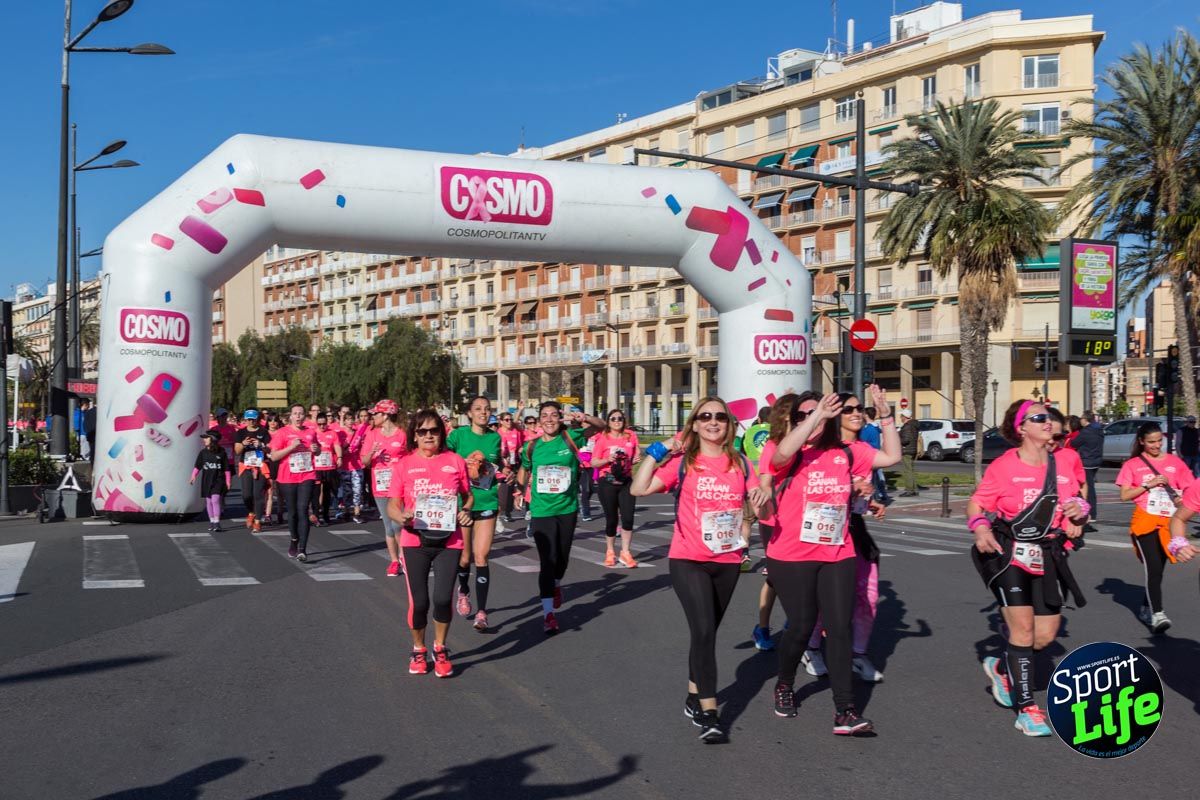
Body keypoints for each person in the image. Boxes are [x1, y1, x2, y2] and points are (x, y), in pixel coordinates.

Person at [631, 397, 768, 742]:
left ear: (729, 425)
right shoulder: (684, 463)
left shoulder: (741, 464)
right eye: (705, 416)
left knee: (704, 634)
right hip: (688, 559)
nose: (712, 421)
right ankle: (710, 714)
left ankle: (694, 694)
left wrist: (765, 500)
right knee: (705, 631)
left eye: (720, 417)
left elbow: (761, 507)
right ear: (694, 424)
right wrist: (658, 449)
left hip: (727, 561)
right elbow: (638, 487)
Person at [767, 386, 900, 735]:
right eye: (803, 414)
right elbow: (780, 456)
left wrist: (885, 416)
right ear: (795, 419)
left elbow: (891, 458)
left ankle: (846, 710)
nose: (814, 419)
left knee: (838, 628)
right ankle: (784, 683)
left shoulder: (845, 450)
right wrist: (814, 416)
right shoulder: (785, 449)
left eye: (822, 412)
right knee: (801, 625)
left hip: (837, 551)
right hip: (791, 554)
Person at [968, 400, 1088, 737]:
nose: (1047, 422)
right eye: (1039, 418)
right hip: (1008, 552)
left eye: (1048, 417)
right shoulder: (1005, 466)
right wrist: (980, 528)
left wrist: (1078, 514)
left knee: (1045, 635)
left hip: (1049, 553)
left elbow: (1077, 503)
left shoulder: (1063, 462)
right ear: (1021, 428)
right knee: (1021, 630)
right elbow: (978, 502)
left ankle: (1004, 670)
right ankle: (1027, 709)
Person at [804, 392, 889, 684]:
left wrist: (885, 414)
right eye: (849, 409)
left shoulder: (862, 448)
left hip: (854, 528)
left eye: (859, 408)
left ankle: (857, 655)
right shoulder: (821, 448)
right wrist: (850, 484)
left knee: (869, 597)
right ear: (835, 415)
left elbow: (893, 457)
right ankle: (811, 648)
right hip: (824, 527)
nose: (856, 413)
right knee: (823, 600)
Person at [389, 410, 474, 678]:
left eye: (434, 430)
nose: (428, 436)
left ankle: (440, 647)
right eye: (422, 431)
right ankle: (418, 649)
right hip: (415, 540)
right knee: (420, 601)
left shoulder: (455, 461)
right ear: (414, 435)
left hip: (450, 540)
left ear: (441, 433)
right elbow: (393, 503)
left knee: (441, 599)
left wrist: (465, 511)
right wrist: (400, 515)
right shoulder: (403, 465)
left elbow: (467, 496)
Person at [516, 402, 605, 634]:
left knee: (562, 558)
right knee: (548, 560)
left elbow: (601, 426)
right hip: (541, 510)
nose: (549, 420)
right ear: (538, 420)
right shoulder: (531, 447)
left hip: (567, 508)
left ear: (560, 418)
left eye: (554, 415)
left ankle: (556, 584)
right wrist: (519, 490)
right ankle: (548, 614)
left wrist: (583, 416)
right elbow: (524, 469)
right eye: (544, 416)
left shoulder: (571, 437)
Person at [1116, 422, 1195, 634]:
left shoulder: (1175, 463)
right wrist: (1147, 485)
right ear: (1141, 441)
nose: (1156, 445)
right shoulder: (1132, 464)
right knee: (1152, 566)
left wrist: (1180, 498)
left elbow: (1190, 488)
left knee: (1158, 570)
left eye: (1160, 441)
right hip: (1145, 521)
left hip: (1168, 521)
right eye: (1151, 442)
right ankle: (1158, 614)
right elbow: (1124, 495)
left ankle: (1145, 606)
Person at [447, 395, 505, 632]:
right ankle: (463, 590)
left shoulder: (495, 438)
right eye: (478, 409)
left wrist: (504, 472)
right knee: (464, 558)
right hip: (463, 503)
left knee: (481, 557)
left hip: (487, 502)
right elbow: (444, 459)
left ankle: (481, 612)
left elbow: (497, 464)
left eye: (487, 409)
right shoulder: (458, 436)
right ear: (469, 413)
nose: (483, 412)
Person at [750, 392, 803, 652]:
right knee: (775, 577)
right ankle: (762, 627)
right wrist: (763, 495)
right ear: (782, 416)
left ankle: (799, 623)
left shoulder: (809, 445)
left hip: (802, 520)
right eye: (794, 414)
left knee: (803, 574)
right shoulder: (772, 445)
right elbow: (765, 481)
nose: (799, 419)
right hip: (774, 519)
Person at [361, 399, 409, 577]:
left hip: (399, 485)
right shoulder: (372, 434)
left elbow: (412, 457)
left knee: (399, 524)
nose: (373, 416)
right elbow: (364, 462)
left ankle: (404, 558)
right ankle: (394, 561)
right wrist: (373, 452)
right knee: (389, 526)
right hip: (380, 485)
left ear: (386, 415)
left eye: (376, 414)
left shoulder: (402, 434)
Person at [269, 404, 320, 561]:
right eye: (295, 414)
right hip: (287, 477)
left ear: (305, 416)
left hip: (307, 475)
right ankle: (294, 539)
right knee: (292, 513)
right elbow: (274, 456)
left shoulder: (310, 432)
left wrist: (316, 449)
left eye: (301, 413)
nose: (298, 416)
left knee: (303, 509)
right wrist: (291, 447)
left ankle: (302, 549)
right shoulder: (282, 433)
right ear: (290, 416)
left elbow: (318, 451)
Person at [591, 409, 641, 568]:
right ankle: (610, 551)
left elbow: (635, 455)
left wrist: (634, 459)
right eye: (613, 419)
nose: (617, 421)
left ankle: (625, 552)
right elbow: (594, 462)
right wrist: (608, 459)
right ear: (608, 421)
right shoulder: (603, 439)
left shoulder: (630, 436)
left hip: (626, 481)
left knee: (628, 518)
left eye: (620, 418)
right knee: (612, 519)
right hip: (608, 481)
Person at [235, 409, 270, 532]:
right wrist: (243, 444)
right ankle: (251, 512)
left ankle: (258, 521)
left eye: (253, 419)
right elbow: (237, 451)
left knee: (258, 494)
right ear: (245, 419)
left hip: (260, 466)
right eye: (248, 419)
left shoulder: (263, 432)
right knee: (246, 495)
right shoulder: (241, 432)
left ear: (257, 419)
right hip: (246, 466)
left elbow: (269, 449)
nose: (251, 421)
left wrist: (261, 444)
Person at [191, 431, 232, 531]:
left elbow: (226, 468)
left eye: (206, 438)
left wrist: (228, 481)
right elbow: (197, 466)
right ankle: (212, 522)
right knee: (208, 501)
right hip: (206, 480)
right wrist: (193, 476)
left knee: (215, 500)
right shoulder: (203, 452)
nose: (204, 440)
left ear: (213, 439)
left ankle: (217, 522)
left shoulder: (221, 452)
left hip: (218, 480)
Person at [1070, 410, 1104, 522]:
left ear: (1085, 420)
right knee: (1091, 486)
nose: (1080, 421)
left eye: (1081, 419)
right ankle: (1091, 513)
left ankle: (1090, 513)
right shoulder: (1099, 430)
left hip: (1087, 461)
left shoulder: (1086, 432)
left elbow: (1074, 443)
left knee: (1088, 488)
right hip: (1096, 461)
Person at [340, 408, 370, 524]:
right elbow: (337, 449)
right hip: (345, 466)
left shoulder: (358, 432)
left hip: (357, 465)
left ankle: (357, 513)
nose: (350, 421)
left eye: (352, 419)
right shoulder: (341, 433)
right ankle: (347, 511)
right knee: (347, 490)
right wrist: (345, 450)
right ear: (344, 421)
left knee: (358, 490)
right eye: (347, 419)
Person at [861, 407, 891, 504]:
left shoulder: (868, 429)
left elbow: (861, 441)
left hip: (869, 456)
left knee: (871, 479)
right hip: (877, 454)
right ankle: (882, 494)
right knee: (878, 477)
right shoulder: (876, 428)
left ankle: (873, 498)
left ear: (866, 415)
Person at [497, 412, 523, 522]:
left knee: (510, 489)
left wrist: (520, 452)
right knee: (501, 488)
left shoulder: (515, 432)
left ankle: (507, 512)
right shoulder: (497, 434)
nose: (509, 422)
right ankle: (497, 515)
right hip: (501, 465)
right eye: (506, 420)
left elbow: (520, 447)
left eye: (510, 419)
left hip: (513, 464)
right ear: (501, 421)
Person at [898, 409, 919, 496]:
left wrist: (898, 439)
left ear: (905, 417)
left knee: (908, 471)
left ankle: (909, 490)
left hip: (907, 449)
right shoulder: (913, 425)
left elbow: (906, 440)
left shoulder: (908, 426)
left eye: (901, 416)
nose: (900, 418)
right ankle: (914, 489)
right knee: (911, 470)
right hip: (912, 449)